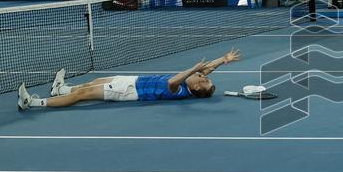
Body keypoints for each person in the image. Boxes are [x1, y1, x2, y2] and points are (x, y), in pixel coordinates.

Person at [18, 50, 241, 111]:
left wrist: (194, 68)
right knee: (90, 84)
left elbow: (173, 81)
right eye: (204, 77)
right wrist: (223, 59)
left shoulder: (180, 90)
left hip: (128, 91)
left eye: (203, 80)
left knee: (81, 96)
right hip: (133, 80)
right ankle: (60, 89)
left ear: (196, 88)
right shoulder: (193, 83)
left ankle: (34, 103)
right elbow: (208, 68)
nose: (203, 76)